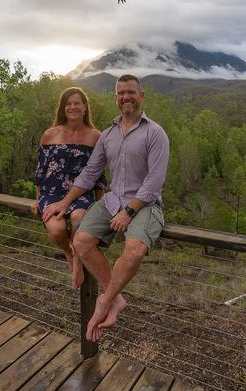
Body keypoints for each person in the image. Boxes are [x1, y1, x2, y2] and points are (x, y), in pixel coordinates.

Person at [42, 74, 169, 342]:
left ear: (141, 95)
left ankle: (104, 302)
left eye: (131, 92)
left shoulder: (155, 133)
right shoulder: (108, 135)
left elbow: (154, 182)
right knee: (82, 241)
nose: (126, 97)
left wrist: (129, 212)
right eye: (121, 93)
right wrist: (63, 203)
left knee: (133, 249)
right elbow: (89, 174)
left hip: (144, 204)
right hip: (113, 200)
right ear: (116, 97)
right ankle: (117, 299)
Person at [32, 87, 106, 289]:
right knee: (56, 231)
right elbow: (41, 171)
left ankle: (79, 263)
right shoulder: (50, 135)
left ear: (85, 107)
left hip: (80, 194)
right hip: (51, 192)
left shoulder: (96, 137)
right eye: (69, 103)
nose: (73, 107)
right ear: (63, 108)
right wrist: (37, 199)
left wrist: (100, 203)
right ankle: (70, 252)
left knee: (78, 218)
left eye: (77, 103)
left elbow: (97, 174)